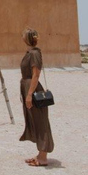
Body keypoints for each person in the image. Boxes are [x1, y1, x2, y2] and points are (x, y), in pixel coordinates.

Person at [19, 27, 54, 166]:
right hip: (27, 88)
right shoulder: (30, 53)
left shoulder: (34, 54)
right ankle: (40, 154)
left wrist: (29, 94)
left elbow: (36, 74)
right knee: (35, 120)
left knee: (40, 121)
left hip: (32, 90)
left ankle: (43, 157)